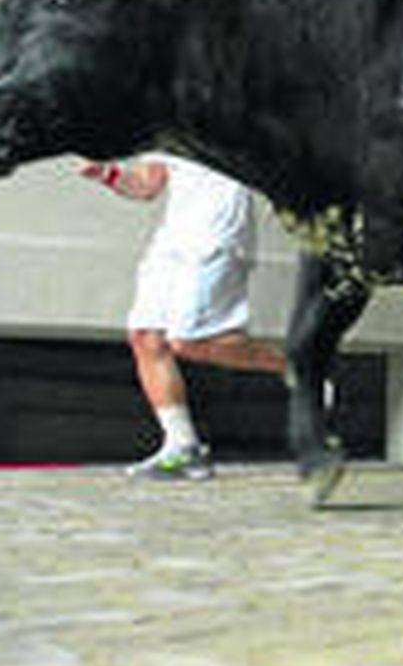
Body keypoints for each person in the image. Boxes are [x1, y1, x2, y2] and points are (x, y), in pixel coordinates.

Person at [82, 155, 287, 480]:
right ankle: (182, 447)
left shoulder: (228, 109)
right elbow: (148, 185)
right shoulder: (160, 125)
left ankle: (300, 367)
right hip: (173, 239)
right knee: (146, 336)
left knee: (191, 341)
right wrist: (106, 174)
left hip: (218, 233)